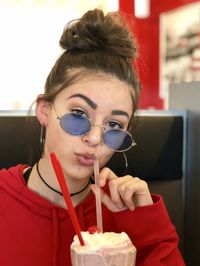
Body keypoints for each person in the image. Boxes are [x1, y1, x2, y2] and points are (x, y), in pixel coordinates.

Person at [0, 8, 185, 266]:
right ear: (44, 110)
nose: (96, 138)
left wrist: (148, 226)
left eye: (113, 124)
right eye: (78, 113)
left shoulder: (124, 214)